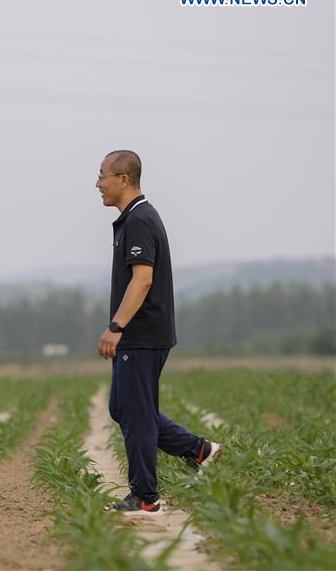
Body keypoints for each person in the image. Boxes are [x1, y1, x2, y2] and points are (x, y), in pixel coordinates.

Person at [95, 150, 221, 515]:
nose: (97, 184)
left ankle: (146, 497)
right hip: (144, 335)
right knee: (124, 408)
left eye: (102, 175)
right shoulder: (134, 218)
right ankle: (198, 450)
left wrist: (116, 327)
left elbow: (143, 278)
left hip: (141, 335)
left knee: (135, 411)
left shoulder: (139, 220)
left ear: (124, 179)